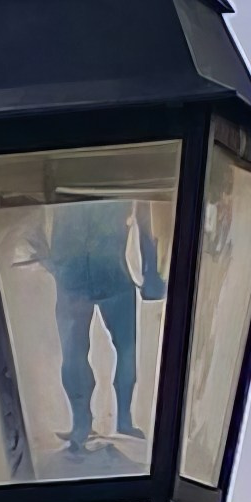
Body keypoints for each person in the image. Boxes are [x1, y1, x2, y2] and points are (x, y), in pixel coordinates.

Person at [38, 194, 165, 453]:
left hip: (100, 277)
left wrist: (151, 271)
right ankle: (87, 423)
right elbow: (141, 218)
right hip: (86, 278)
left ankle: (115, 420)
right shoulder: (121, 176)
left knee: (117, 351)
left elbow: (142, 217)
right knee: (79, 355)